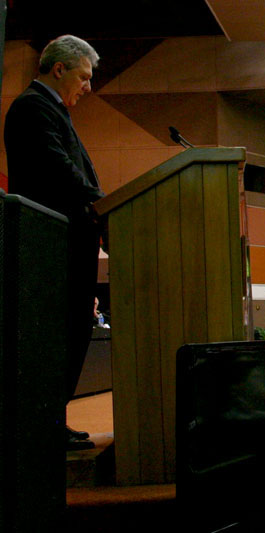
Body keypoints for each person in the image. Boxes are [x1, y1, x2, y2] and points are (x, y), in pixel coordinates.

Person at [5, 35, 104, 451]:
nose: (87, 86)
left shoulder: (52, 110)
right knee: (58, 338)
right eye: (83, 76)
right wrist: (104, 204)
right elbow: (59, 170)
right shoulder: (32, 107)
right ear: (59, 69)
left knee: (73, 333)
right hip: (51, 249)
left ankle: (51, 420)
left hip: (68, 249)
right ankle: (43, 425)